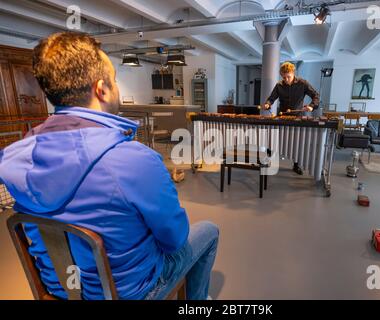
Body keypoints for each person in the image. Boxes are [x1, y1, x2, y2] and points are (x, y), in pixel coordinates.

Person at [0, 32, 219, 300]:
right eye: (115, 80)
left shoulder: (19, 155)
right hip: (129, 292)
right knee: (208, 230)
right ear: (102, 88)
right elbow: (174, 239)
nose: (117, 87)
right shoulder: (135, 160)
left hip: (59, 288)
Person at [263, 62, 320, 175]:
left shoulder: (303, 83)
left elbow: (316, 96)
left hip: (297, 118)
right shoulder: (279, 85)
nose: (286, 79)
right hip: (283, 116)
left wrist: (311, 106)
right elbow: (271, 98)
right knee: (273, 138)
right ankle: (268, 160)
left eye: (288, 76)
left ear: (293, 73)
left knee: (297, 142)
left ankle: (296, 164)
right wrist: (268, 104)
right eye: (284, 77)